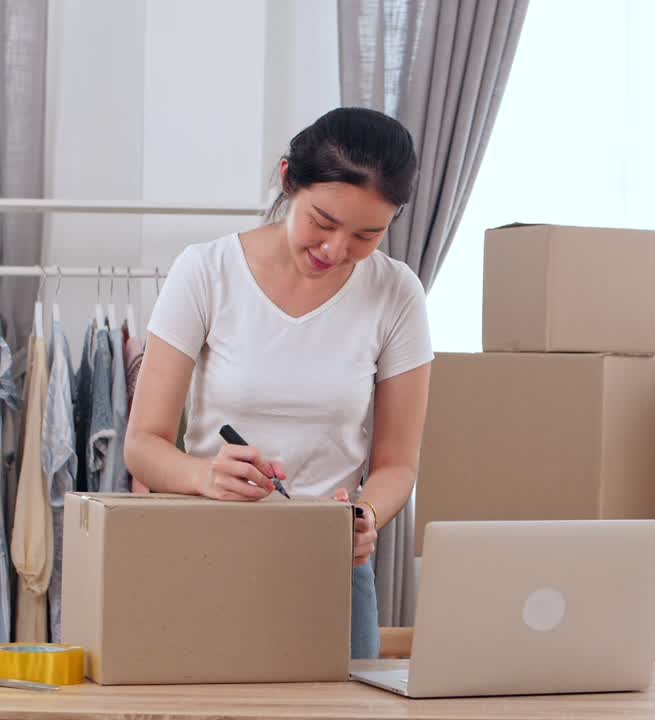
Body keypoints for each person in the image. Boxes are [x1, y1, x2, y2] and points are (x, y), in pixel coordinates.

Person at [124, 107, 433, 659]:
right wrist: (204, 475)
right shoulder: (205, 271)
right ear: (289, 180)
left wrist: (365, 517)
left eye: (368, 235)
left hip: (330, 568)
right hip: (206, 559)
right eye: (323, 220)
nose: (336, 251)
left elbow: (397, 465)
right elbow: (142, 446)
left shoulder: (397, 294)